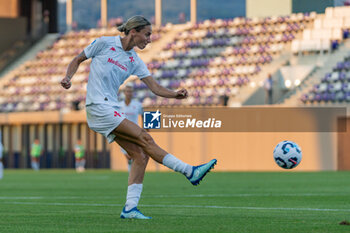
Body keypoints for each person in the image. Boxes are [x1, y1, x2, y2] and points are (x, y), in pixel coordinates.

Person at [61, 15, 217, 220]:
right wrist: (68, 77)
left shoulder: (134, 60)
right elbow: (77, 59)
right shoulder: (103, 43)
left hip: (109, 109)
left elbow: (155, 87)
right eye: (147, 34)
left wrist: (175, 94)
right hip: (99, 106)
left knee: (140, 156)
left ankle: (130, 208)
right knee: (145, 138)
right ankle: (189, 171)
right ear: (133, 32)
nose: (150, 39)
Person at [119, 83, 143, 172]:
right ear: (124, 92)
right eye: (127, 91)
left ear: (133, 93)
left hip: (134, 132)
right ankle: (131, 168)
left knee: (134, 155)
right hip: (123, 133)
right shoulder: (119, 105)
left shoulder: (137, 105)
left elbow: (144, 114)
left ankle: (132, 174)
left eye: (130, 91)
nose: (129, 93)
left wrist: (146, 127)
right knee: (128, 156)